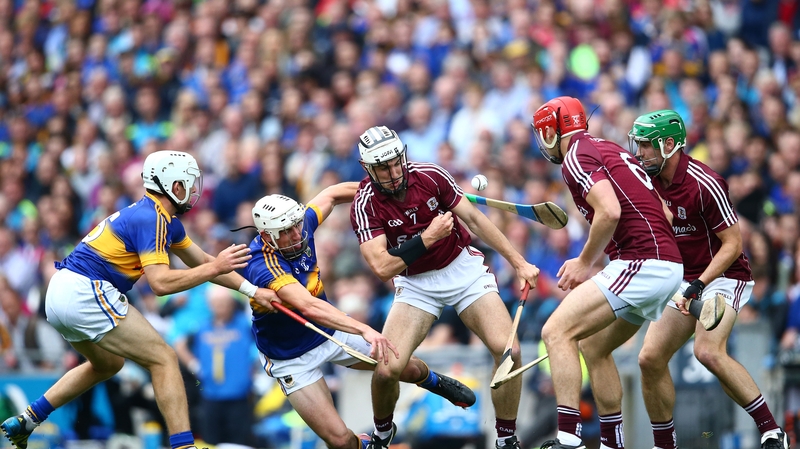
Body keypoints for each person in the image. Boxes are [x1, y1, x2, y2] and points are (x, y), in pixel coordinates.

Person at [1, 151, 277, 449]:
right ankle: (184, 446)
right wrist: (215, 267)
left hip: (60, 292)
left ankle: (28, 419)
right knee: (165, 358)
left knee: (107, 365)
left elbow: (205, 262)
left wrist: (253, 290)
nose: (193, 190)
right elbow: (161, 283)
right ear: (173, 186)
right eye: (188, 183)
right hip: (85, 290)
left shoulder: (161, 219)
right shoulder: (152, 218)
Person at [349, 125, 540, 449]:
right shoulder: (364, 204)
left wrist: (518, 262)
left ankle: (506, 439)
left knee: (510, 352)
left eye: (396, 163)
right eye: (383, 168)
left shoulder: (431, 175)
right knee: (386, 371)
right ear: (368, 168)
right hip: (415, 283)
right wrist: (427, 238)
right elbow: (382, 267)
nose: (394, 173)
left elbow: (475, 220)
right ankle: (382, 436)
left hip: (462, 269)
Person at [244, 187, 476, 449]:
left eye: (296, 226)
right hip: (291, 359)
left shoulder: (301, 224)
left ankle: (435, 382)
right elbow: (308, 306)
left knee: (404, 368)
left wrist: (385, 193)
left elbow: (332, 195)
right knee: (340, 442)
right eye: (286, 232)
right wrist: (362, 329)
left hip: (329, 331)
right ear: (267, 236)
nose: (297, 235)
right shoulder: (261, 264)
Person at [530, 97, 684, 449]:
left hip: (641, 262)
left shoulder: (575, 156)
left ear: (553, 131)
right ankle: (615, 443)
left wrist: (584, 262)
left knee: (555, 332)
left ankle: (568, 438)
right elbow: (665, 214)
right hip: (663, 263)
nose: (542, 141)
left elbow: (610, 212)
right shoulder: (608, 148)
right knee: (594, 346)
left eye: (543, 133)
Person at [630, 110, 788, 449]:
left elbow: (733, 245)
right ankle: (665, 444)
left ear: (669, 145)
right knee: (649, 358)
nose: (639, 153)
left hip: (723, 276)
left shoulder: (706, 183)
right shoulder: (646, 180)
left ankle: (772, 431)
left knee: (707, 351)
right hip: (682, 278)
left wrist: (698, 285)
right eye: (637, 144)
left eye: (645, 145)